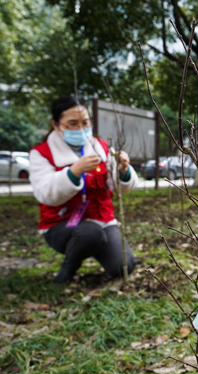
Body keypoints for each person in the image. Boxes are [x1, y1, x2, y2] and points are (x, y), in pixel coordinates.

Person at [29, 96, 139, 284]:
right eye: (72, 123)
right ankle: (69, 268)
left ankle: (93, 246)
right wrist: (74, 171)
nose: (81, 128)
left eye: (85, 122)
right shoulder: (41, 153)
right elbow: (44, 193)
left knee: (124, 266)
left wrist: (123, 170)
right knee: (90, 233)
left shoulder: (102, 147)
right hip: (61, 224)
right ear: (56, 125)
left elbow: (121, 189)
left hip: (102, 219)